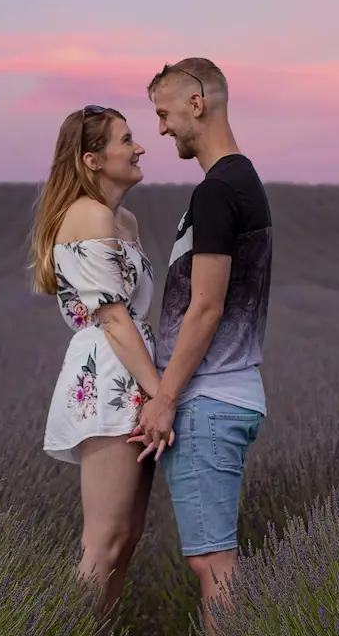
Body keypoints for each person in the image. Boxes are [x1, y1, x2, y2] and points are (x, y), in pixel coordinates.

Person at [128, 58, 272, 633]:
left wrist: (163, 400)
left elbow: (206, 307)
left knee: (214, 565)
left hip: (209, 400)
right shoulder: (242, 182)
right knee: (213, 562)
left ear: (198, 102)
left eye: (164, 114)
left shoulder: (218, 191)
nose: (160, 130)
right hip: (230, 396)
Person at [28, 104, 173, 615]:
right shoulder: (88, 215)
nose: (139, 147)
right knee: (103, 542)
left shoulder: (123, 219)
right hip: (111, 372)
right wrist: (161, 394)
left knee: (125, 541)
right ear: (92, 158)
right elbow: (113, 319)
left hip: (131, 370)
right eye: (126, 139)